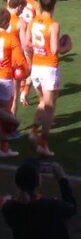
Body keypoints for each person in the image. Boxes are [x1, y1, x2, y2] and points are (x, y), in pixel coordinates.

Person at [27, 0, 71, 157]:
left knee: (42, 102)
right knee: (50, 107)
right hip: (49, 68)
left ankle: (33, 131)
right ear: (53, 5)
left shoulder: (33, 21)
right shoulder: (53, 25)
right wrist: (66, 47)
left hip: (36, 66)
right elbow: (54, 49)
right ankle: (43, 143)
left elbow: (28, 43)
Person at [1, 161, 76, 239]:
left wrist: (10, 199)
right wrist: (62, 179)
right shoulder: (52, 206)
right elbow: (71, 207)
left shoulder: (10, 209)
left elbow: (10, 203)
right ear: (38, 182)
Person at [0, 9, 28, 157]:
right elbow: (19, 60)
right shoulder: (11, 38)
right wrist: (26, 71)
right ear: (6, 23)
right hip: (4, 78)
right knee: (4, 113)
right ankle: (4, 148)